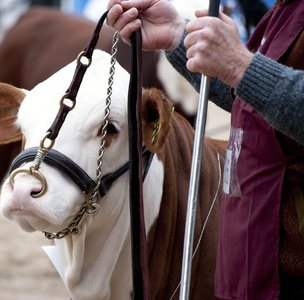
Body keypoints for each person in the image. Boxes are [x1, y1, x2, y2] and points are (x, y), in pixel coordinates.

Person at [106, 0, 304, 299]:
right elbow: (252, 103)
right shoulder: (285, 9)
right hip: (252, 250)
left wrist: (240, 64)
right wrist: (176, 35)